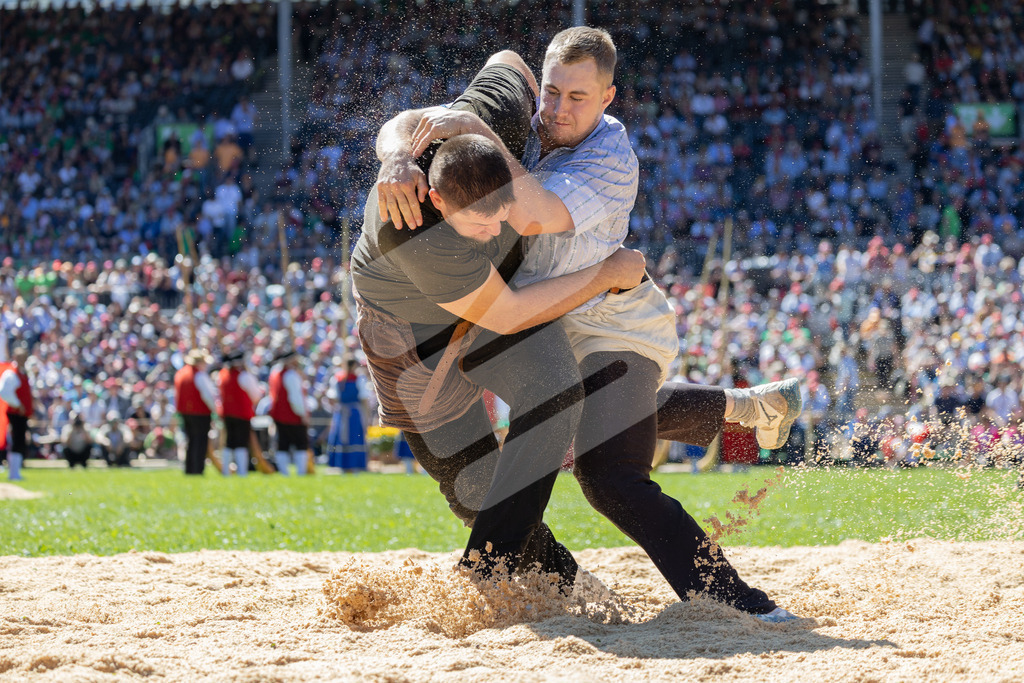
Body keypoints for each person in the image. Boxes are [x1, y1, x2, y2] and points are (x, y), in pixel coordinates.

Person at [374, 30, 802, 620]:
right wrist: (397, 154)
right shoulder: (526, 116)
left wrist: (473, 130)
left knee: (608, 474)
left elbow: (531, 215)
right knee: (571, 423)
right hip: (547, 321)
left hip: (611, 323)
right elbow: (484, 72)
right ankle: (739, 407)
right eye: (550, 92)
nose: (557, 109)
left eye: (578, 97)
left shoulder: (608, 155)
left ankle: (742, 604)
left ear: (608, 98)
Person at [352, 62, 648, 596]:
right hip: (412, 332)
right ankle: (563, 582)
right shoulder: (413, 229)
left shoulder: (486, 124)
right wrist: (605, 273)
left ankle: (482, 579)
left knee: (556, 390)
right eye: (480, 225)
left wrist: (550, 104)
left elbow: (507, 63)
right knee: (472, 486)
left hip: (490, 296)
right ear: (437, 201)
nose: (494, 229)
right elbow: (506, 313)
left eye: (501, 215)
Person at [217, 349, 263, 476]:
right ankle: (242, 471)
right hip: (242, 413)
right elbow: (256, 396)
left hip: (227, 414)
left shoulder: (222, 375)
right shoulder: (244, 376)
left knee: (229, 442)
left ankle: (226, 471)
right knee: (241, 443)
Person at [174, 348, 217, 475]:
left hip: (185, 412)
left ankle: (189, 469)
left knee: (191, 441)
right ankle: (198, 469)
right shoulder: (199, 375)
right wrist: (216, 410)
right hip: (200, 412)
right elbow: (208, 396)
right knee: (200, 441)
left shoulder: (181, 373)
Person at [268, 348, 311, 475]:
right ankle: (300, 472)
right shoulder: (291, 375)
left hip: (279, 414)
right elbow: (295, 398)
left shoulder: (275, 372)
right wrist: (303, 414)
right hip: (293, 415)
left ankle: (284, 472)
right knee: (300, 443)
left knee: (283, 444)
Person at [326, 358, 368, 472]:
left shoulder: (337, 378)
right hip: (353, 412)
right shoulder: (358, 378)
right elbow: (364, 399)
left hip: (342, 412)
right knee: (352, 437)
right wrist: (366, 416)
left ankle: (343, 465)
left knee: (344, 437)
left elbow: (332, 398)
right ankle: (353, 466)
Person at [0, 347, 34, 481]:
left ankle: (16, 472)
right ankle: (13, 473)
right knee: (16, 441)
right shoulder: (11, 373)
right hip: (15, 413)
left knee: (20, 441)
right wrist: (18, 404)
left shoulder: (23, 372)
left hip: (22, 413)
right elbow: (4, 392)